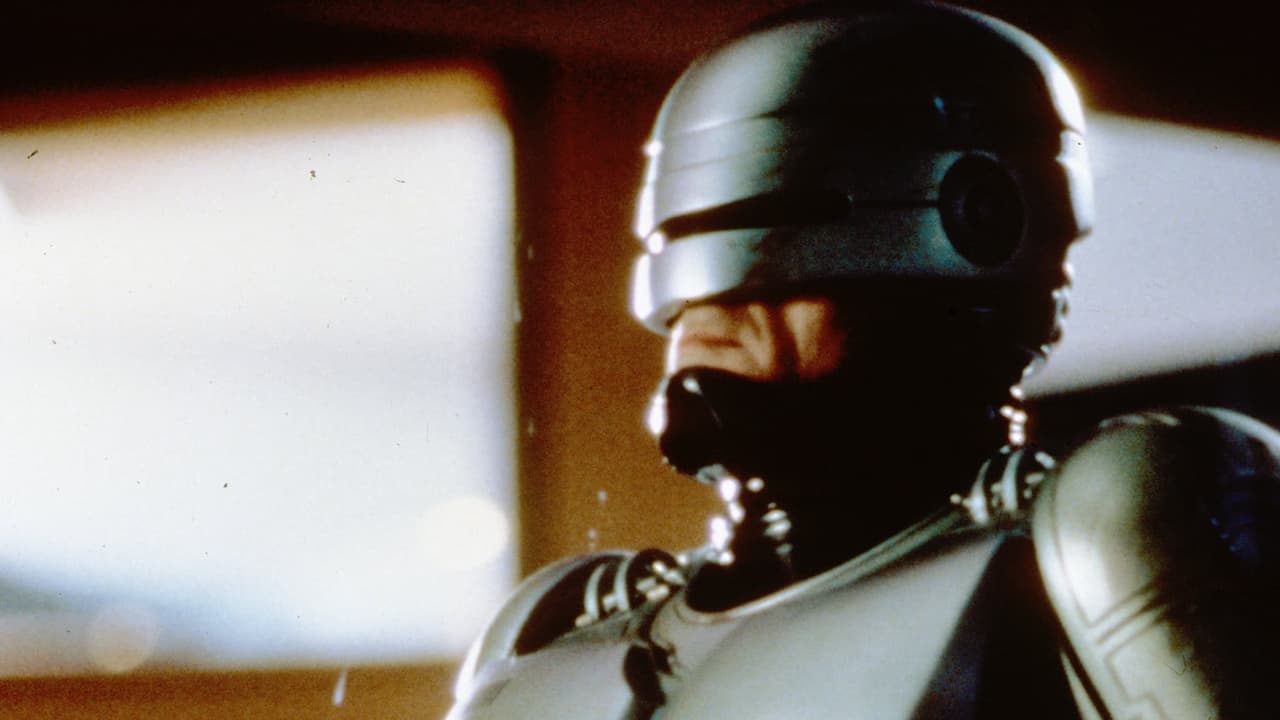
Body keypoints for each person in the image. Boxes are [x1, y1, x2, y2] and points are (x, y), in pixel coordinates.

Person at [447, 2, 1280, 718]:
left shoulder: (1108, 538)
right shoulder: (552, 630)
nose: (705, 316)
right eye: (691, 258)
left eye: (780, 243)